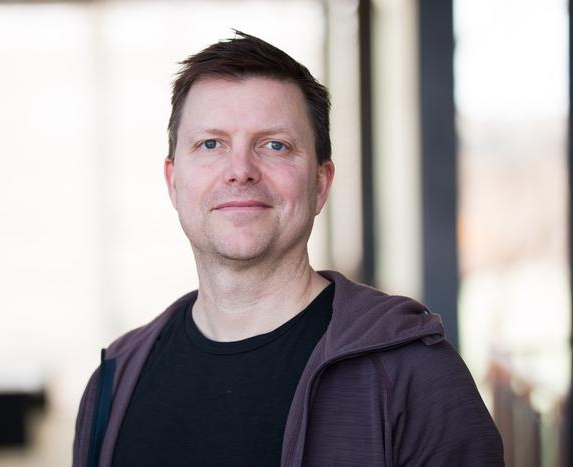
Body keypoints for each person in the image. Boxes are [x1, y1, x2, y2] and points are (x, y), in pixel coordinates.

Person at [72, 31, 503, 467]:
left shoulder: (415, 376)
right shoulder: (115, 380)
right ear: (173, 182)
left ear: (320, 184)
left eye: (274, 145)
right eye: (211, 144)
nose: (240, 170)